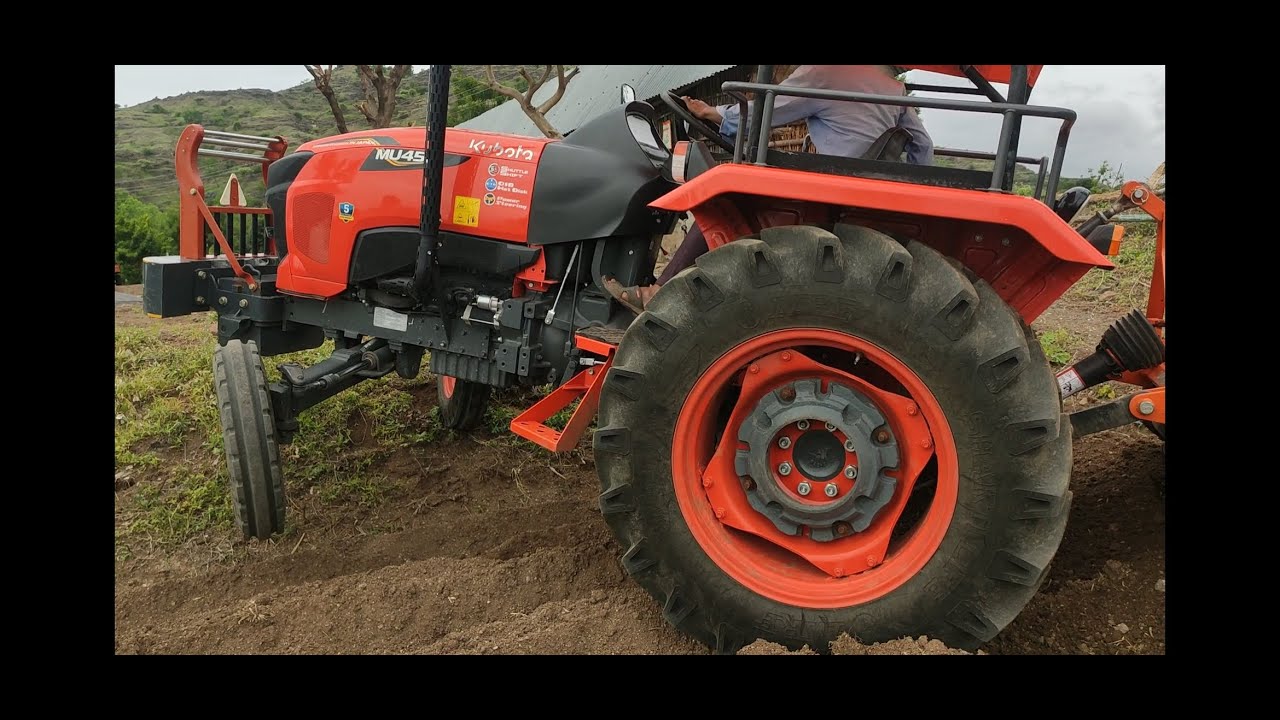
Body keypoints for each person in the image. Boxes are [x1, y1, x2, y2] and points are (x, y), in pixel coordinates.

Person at [604, 65, 933, 313]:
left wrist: (715, 114)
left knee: (723, 201)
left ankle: (659, 292)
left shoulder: (827, 71)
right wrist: (913, 187)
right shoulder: (893, 88)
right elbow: (922, 144)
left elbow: (768, 110)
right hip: (857, 186)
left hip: (830, 183)